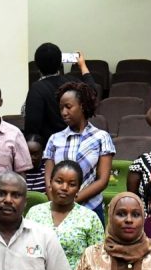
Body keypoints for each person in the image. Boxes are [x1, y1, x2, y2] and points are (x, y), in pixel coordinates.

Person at [43, 80, 116, 217]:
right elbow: (48, 179)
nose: (64, 112)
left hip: (91, 209)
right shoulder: (54, 139)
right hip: (57, 208)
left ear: (82, 106)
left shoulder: (101, 137)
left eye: (68, 107)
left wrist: (71, 201)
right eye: (61, 108)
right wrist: (57, 203)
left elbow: (102, 180)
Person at [25, 160, 105, 269]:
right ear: (50, 183)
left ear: (78, 188)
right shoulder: (34, 213)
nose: (64, 188)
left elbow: (98, 260)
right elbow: (25, 250)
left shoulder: (90, 218)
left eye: (72, 184)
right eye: (59, 181)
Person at [21, 42, 93, 141]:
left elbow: (32, 127)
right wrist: (82, 65)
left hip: (50, 148)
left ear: (37, 65)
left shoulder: (36, 88)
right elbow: (92, 90)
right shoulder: (72, 81)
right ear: (60, 63)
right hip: (77, 142)